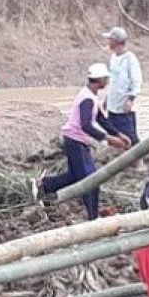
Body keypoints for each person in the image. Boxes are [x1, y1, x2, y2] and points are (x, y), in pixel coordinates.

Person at [33, 63, 130, 221]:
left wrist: (118, 134)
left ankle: (44, 185)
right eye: (106, 78)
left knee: (74, 176)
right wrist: (108, 139)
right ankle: (93, 218)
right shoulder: (87, 99)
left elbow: (100, 119)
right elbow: (86, 125)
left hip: (76, 140)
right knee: (91, 181)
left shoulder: (91, 95)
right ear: (99, 80)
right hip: (75, 140)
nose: (107, 81)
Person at [104, 26, 143, 145]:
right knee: (114, 136)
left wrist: (131, 99)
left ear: (116, 42)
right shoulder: (113, 57)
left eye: (110, 39)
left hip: (124, 106)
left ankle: (136, 160)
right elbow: (113, 80)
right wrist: (107, 98)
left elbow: (137, 81)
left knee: (130, 138)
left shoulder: (130, 59)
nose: (108, 42)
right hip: (112, 105)